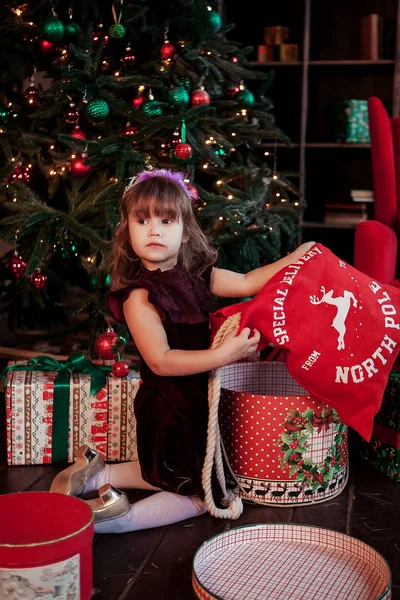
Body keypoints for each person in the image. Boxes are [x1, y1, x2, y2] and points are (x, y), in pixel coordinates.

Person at [50, 169, 314, 534]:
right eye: (142, 221)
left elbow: (249, 280)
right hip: (168, 406)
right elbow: (162, 360)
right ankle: (119, 521)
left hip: (193, 401)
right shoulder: (140, 298)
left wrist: (297, 258)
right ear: (127, 231)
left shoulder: (199, 277)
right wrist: (224, 356)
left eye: (166, 220)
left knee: (166, 469)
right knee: (199, 494)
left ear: (185, 230)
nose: (154, 230)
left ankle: (100, 472)